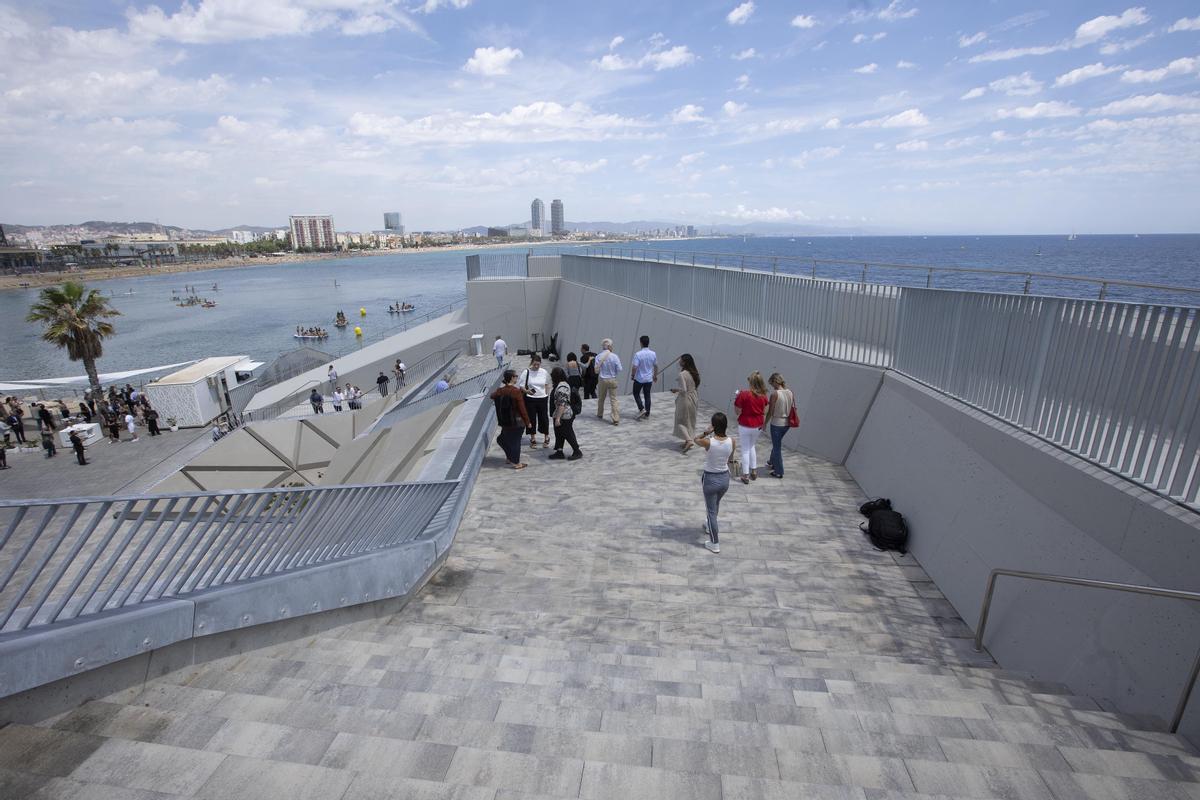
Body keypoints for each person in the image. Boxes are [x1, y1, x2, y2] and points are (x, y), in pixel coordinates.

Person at [694, 412, 733, 554]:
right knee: (715, 504)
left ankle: (714, 542)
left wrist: (705, 432)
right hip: (724, 479)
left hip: (710, 479)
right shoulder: (732, 441)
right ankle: (710, 525)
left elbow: (695, 439)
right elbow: (730, 459)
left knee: (710, 512)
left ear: (714, 426)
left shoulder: (709, 442)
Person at [490, 369, 531, 469]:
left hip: (505, 422)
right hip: (517, 422)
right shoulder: (516, 392)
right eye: (516, 376)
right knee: (515, 442)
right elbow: (522, 409)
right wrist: (528, 422)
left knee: (502, 439)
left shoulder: (500, 391)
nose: (517, 377)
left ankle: (509, 457)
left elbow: (492, 396)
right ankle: (516, 463)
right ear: (512, 378)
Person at [734, 371, 770, 484]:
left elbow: (737, 412)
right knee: (751, 446)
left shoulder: (743, 394)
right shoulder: (763, 396)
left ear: (751, 382)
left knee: (745, 449)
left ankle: (745, 474)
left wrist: (738, 398)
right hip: (758, 425)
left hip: (745, 424)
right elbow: (765, 411)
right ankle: (754, 470)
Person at [548, 366, 583, 461]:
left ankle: (577, 451)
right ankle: (559, 452)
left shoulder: (562, 387)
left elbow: (562, 404)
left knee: (568, 433)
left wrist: (558, 418)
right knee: (559, 433)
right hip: (560, 414)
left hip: (565, 415)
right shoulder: (561, 384)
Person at [766, 372, 796, 479]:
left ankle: (779, 471)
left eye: (771, 383)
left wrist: (765, 423)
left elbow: (770, 412)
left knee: (777, 446)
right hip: (787, 423)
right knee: (777, 443)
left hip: (776, 423)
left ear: (775, 381)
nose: (772, 386)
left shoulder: (775, 394)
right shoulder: (790, 392)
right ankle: (771, 461)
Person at [519, 354, 551, 449]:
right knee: (531, 419)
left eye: (538, 364)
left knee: (544, 418)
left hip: (542, 398)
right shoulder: (526, 372)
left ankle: (546, 437)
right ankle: (533, 438)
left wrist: (546, 394)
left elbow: (546, 384)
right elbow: (521, 386)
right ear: (531, 363)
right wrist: (527, 391)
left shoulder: (543, 372)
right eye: (535, 364)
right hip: (530, 399)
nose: (536, 366)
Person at [672, 354, 701, 453]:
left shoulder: (682, 374)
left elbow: (684, 390)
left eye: (680, 360)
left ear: (684, 362)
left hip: (685, 399)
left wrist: (676, 389)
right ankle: (687, 440)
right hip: (693, 398)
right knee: (689, 420)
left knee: (680, 421)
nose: (679, 361)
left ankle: (689, 440)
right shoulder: (694, 373)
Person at [594, 338, 622, 424]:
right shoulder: (615, 356)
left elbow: (596, 369)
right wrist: (614, 373)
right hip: (612, 379)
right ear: (609, 346)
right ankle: (615, 418)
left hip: (602, 379)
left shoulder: (598, 356)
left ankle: (600, 413)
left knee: (601, 398)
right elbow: (620, 369)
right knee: (613, 399)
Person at [631, 335, 658, 419]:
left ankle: (641, 408)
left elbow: (635, 366)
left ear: (641, 343)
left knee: (636, 393)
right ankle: (647, 413)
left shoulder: (638, 354)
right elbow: (656, 366)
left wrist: (632, 375)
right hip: (649, 379)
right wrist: (655, 375)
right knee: (647, 395)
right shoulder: (653, 353)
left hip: (639, 378)